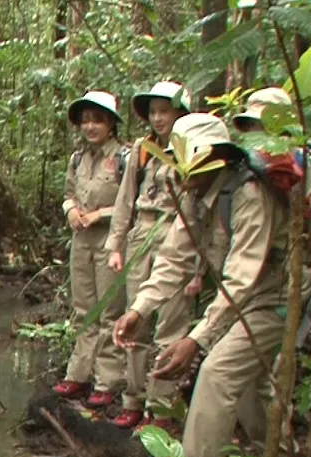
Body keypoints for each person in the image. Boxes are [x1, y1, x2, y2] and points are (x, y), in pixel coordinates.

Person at [112, 113, 298, 457]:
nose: (182, 173)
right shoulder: (195, 195)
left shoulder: (250, 196)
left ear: (217, 158)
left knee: (216, 373)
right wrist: (140, 310)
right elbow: (174, 260)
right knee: (251, 388)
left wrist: (195, 340)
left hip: (273, 300)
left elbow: (241, 279)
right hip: (242, 301)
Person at [103, 80, 199, 429]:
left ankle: (160, 409)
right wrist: (116, 244)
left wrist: (199, 270)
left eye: (166, 112)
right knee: (135, 321)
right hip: (142, 232)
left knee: (171, 325)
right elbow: (124, 200)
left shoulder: (194, 152)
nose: (159, 119)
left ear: (181, 114)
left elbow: (203, 216)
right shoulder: (142, 151)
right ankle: (132, 399)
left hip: (178, 233)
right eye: (154, 112)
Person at [52, 90, 129, 406]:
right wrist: (70, 210)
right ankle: (78, 375)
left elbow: (131, 202)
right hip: (81, 240)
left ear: (110, 124)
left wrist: (101, 213)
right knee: (84, 309)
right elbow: (69, 193)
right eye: (85, 121)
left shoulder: (126, 158)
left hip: (111, 241)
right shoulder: (77, 158)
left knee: (109, 310)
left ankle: (107, 382)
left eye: (97, 120)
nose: (90, 126)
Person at [233, 86, 311, 232]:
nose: (255, 131)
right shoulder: (241, 163)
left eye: (263, 125)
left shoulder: (306, 165)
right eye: (252, 124)